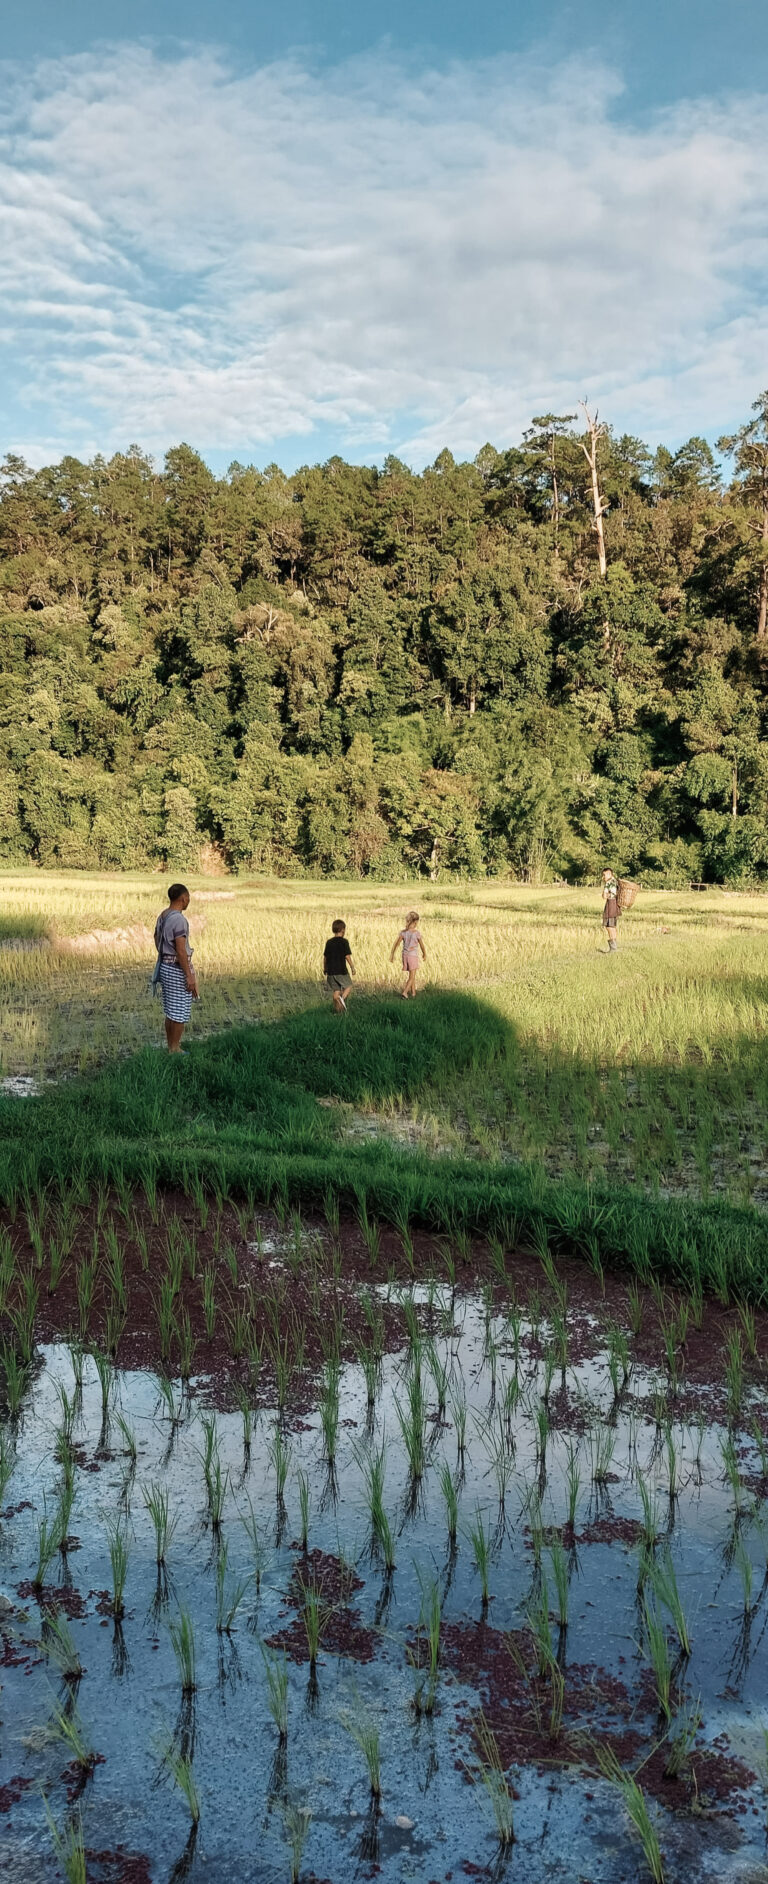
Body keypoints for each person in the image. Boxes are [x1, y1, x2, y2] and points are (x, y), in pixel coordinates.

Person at [153, 884, 198, 1051]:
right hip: (176, 968)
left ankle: (171, 1046)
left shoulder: (163, 916)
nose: (188, 902)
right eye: (188, 899)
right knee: (180, 1011)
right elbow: (180, 950)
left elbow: (156, 937)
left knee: (170, 1010)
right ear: (183, 899)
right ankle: (176, 1049)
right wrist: (189, 976)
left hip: (165, 966)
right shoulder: (179, 920)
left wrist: (164, 953)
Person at [390, 909, 426, 997]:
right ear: (415, 922)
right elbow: (422, 945)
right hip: (413, 956)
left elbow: (396, 944)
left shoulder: (403, 933)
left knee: (411, 974)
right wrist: (424, 954)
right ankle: (405, 992)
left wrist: (392, 954)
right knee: (412, 976)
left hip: (405, 956)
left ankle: (413, 993)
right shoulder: (417, 933)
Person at [323, 919, 356, 1013]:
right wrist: (352, 967)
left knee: (336, 992)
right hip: (341, 970)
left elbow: (325, 957)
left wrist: (325, 968)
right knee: (348, 986)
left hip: (330, 972)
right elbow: (347, 956)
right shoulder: (344, 942)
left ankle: (338, 1013)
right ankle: (342, 998)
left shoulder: (329, 942)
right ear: (342, 930)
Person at [601, 868, 620, 952]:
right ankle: (614, 947)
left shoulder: (608, 883)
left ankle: (613, 948)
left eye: (604, 875)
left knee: (609, 926)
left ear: (609, 874)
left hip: (610, 905)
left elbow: (604, 896)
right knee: (613, 926)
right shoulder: (615, 881)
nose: (603, 877)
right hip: (615, 904)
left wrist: (604, 894)